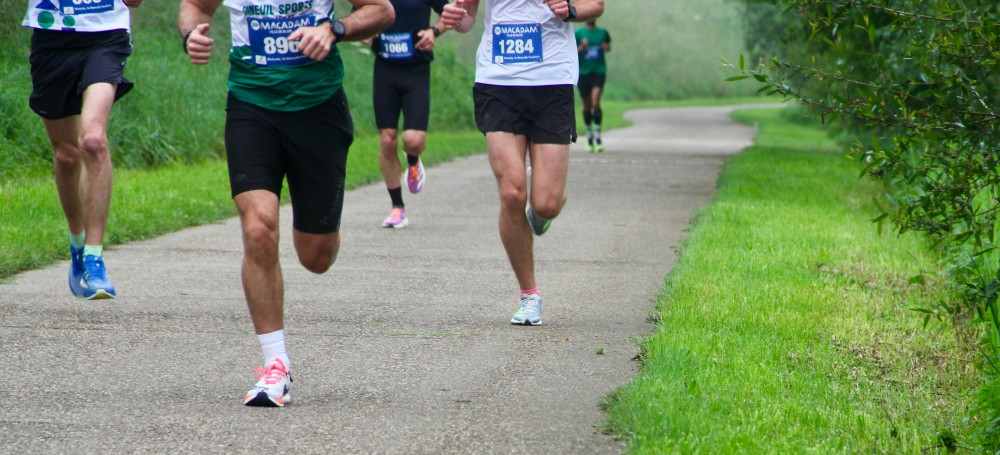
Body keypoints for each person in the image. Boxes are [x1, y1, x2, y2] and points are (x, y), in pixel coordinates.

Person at [178, 0, 394, 407]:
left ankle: (320, 222)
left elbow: (381, 11)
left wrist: (335, 29)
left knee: (316, 255)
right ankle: (274, 363)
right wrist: (192, 33)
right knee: (258, 225)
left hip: (319, 108)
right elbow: (194, 6)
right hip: (251, 106)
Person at [442, 0, 605, 326]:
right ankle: (529, 295)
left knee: (546, 203)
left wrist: (570, 9)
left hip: (551, 80)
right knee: (512, 192)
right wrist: (455, 18)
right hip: (498, 80)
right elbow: (468, 18)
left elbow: (595, 5)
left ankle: (543, 210)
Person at [23, 0, 144, 300]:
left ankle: (94, 257)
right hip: (52, 35)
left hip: (105, 34)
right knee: (66, 154)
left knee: (93, 140)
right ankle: (77, 243)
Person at [369, 0, 450, 229]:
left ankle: (413, 160)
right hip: (385, 70)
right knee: (387, 138)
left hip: (416, 71)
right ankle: (397, 208)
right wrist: (367, 36)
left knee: (413, 140)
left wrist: (434, 32)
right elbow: (359, 18)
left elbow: (451, 14)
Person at [575, 18, 610, 153]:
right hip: (583, 73)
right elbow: (571, 52)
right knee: (586, 106)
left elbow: (608, 47)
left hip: (599, 71)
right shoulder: (578, 34)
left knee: (595, 103)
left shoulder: (603, 33)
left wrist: (605, 47)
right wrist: (581, 48)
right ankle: (589, 136)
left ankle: (598, 136)